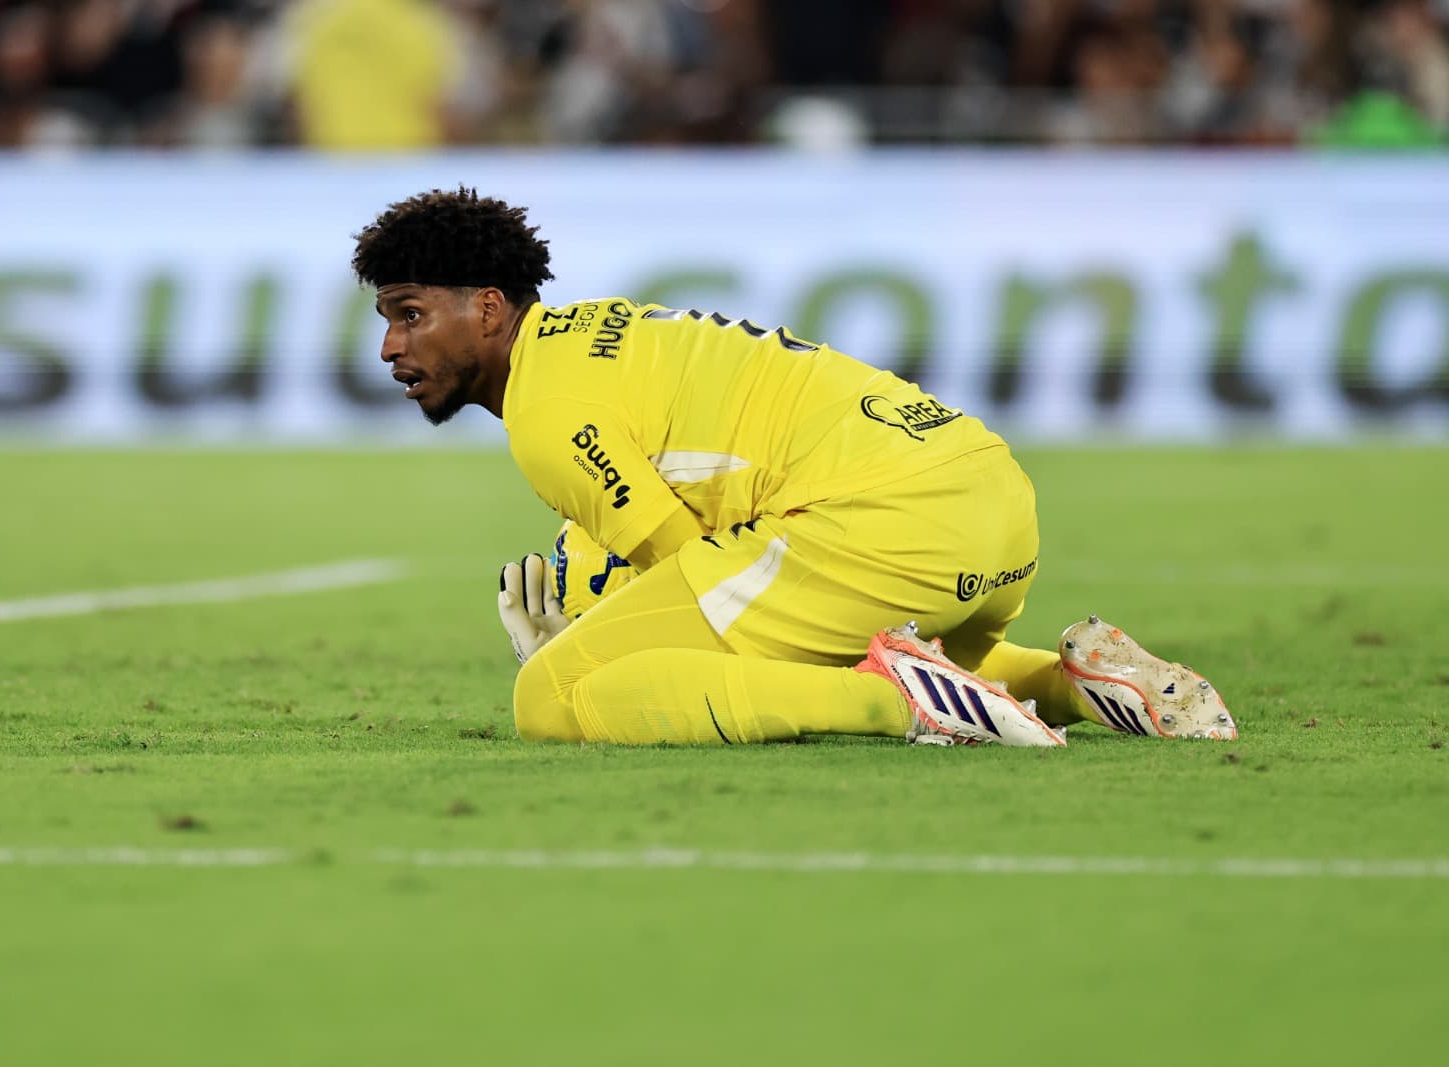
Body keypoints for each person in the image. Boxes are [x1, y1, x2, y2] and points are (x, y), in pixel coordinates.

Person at [350, 187, 1239, 747]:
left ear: (491, 308)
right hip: (989, 497)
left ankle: (895, 703)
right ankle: (1073, 681)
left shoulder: (546, 410)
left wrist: (587, 637)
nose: (391, 344)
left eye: (410, 313)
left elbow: (681, 566)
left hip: (884, 520)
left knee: (553, 695)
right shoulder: (602, 331)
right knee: (812, 628)